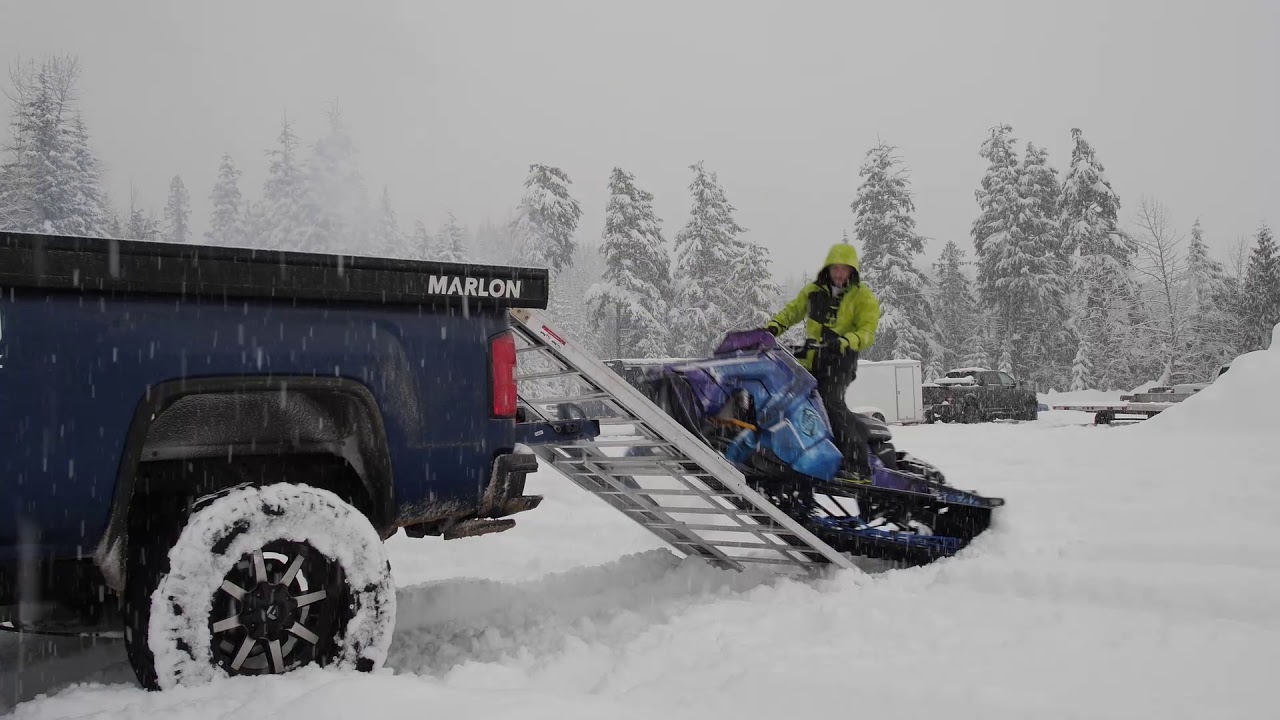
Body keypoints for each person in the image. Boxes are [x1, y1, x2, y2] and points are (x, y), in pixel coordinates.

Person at [761, 242, 880, 477]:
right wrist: (773, 328)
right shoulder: (813, 291)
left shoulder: (862, 297)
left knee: (829, 401)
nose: (839, 274)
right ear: (828, 268)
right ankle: (792, 454)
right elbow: (792, 311)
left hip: (840, 362)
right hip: (811, 362)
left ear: (852, 271)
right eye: (835, 268)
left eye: (844, 269)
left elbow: (868, 332)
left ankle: (857, 464)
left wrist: (845, 341)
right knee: (787, 400)